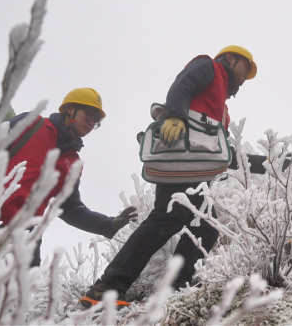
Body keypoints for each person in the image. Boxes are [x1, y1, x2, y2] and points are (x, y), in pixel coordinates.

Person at [80, 45, 257, 307]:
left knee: (203, 228)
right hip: (181, 162)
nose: (246, 76)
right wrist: (175, 116)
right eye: (246, 68)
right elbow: (181, 85)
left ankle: (170, 289)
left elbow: (226, 154)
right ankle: (109, 288)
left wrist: (270, 163)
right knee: (172, 218)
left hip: (196, 171)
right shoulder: (210, 66)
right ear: (230, 59)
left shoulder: (222, 113)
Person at [0, 88, 138, 266]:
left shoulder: (72, 164)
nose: (91, 122)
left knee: (18, 292)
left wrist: (107, 224)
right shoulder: (32, 124)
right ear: (70, 109)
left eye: (96, 120)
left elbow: (70, 209)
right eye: (89, 114)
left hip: (26, 236)